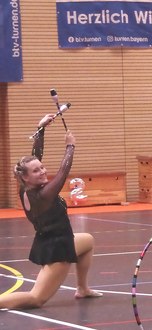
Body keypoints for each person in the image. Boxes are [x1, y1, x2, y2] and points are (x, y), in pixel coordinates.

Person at [2, 115, 101, 310]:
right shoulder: (43, 195)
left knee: (87, 241)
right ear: (25, 177)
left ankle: (82, 289)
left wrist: (41, 128)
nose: (42, 171)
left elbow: (36, 156)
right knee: (36, 298)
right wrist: (70, 146)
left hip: (51, 239)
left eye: (42, 168)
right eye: (36, 171)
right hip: (57, 247)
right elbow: (64, 171)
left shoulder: (26, 188)